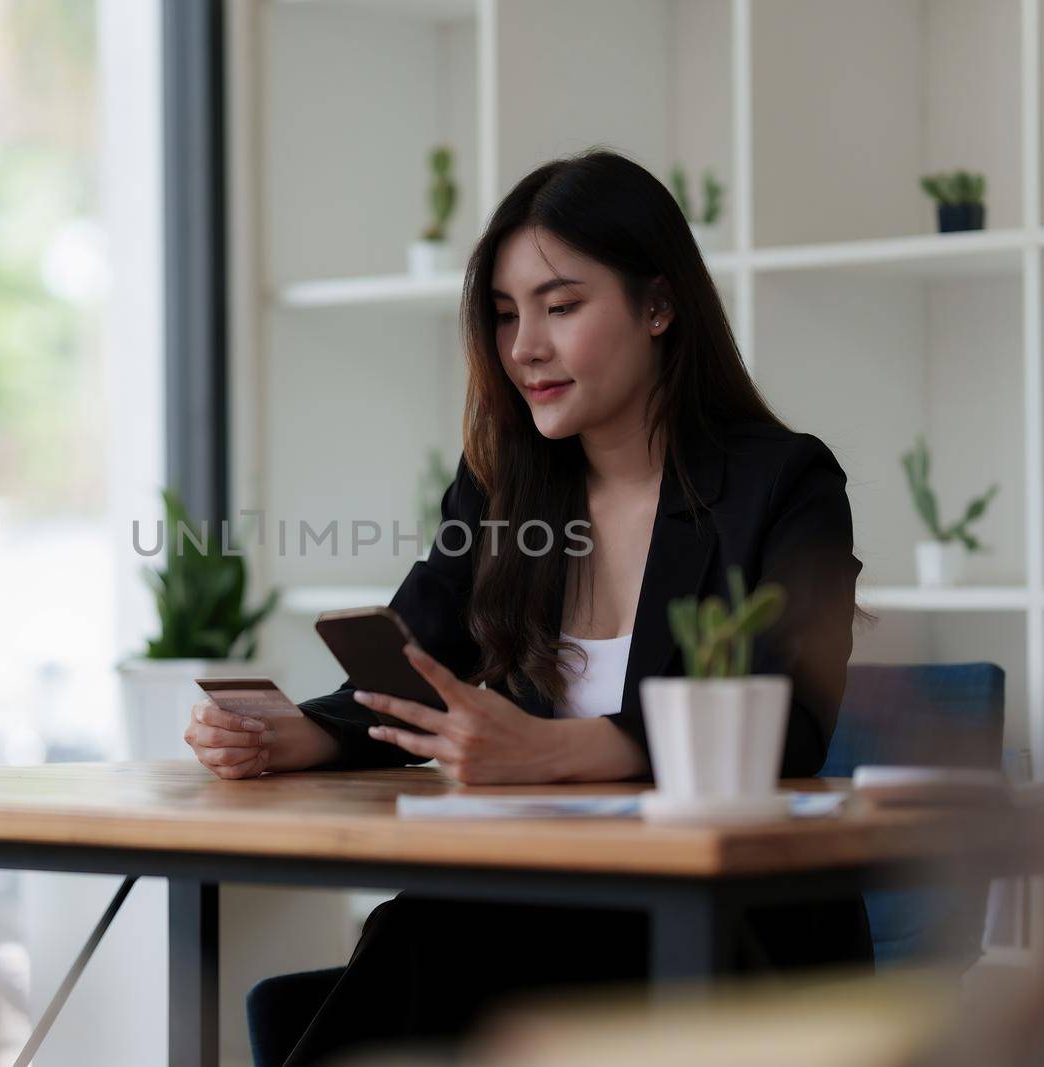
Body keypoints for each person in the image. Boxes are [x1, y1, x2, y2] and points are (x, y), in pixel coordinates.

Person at [184, 148, 874, 1065]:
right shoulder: (504, 486)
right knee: (428, 930)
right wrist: (303, 733)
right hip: (545, 912)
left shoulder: (785, 484)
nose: (524, 349)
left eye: (561, 306)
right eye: (507, 316)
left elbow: (787, 721)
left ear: (659, 306)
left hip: (727, 936)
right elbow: (419, 649)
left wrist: (552, 748)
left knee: (431, 935)